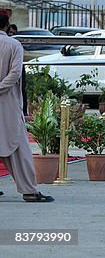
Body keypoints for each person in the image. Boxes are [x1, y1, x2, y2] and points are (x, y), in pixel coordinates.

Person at [0, 14, 53, 202]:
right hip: (8, 103)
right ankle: (29, 190)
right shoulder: (13, 45)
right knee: (18, 147)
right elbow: (15, 74)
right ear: (7, 26)